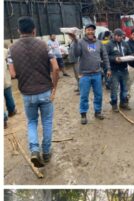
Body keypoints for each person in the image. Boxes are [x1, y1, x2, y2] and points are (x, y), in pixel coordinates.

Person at [8, 16, 59, 167]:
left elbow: (12, 74)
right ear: (34, 30)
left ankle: (34, 150)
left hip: (27, 94)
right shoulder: (44, 45)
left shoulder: (12, 49)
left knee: (31, 122)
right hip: (45, 91)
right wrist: (54, 87)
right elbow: (56, 68)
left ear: (18, 31)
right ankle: (46, 152)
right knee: (47, 122)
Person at [69, 23, 110, 125]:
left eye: (92, 30)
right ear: (85, 31)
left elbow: (105, 57)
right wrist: (74, 40)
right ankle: (83, 114)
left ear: (94, 31)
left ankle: (97, 112)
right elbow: (76, 54)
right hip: (84, 75)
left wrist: (108, 68)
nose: (90, 31)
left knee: (99, 95)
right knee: (84, 96)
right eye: (88, 30)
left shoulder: (99, 43)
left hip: (97, 73)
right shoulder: (80, 42)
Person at [107, 28, 133, 111]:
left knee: (125, 88)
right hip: (114, 70)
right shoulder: (109, 44)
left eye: (120, 36)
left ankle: (123, 103)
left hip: (124, 69)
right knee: (114, 88)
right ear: (114, 35)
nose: (119, 37)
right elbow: (106, 57)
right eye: (117, 36)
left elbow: (129, 53)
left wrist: (132, 56)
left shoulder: (125, 43)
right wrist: (115, 59)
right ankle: (114, 104)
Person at [4, 47, 17, 129]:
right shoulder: (4, 51)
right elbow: (10, 63)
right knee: (8, 96)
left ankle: (3, 121)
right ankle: (11, 111)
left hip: (6, 79)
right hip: (5, 79)